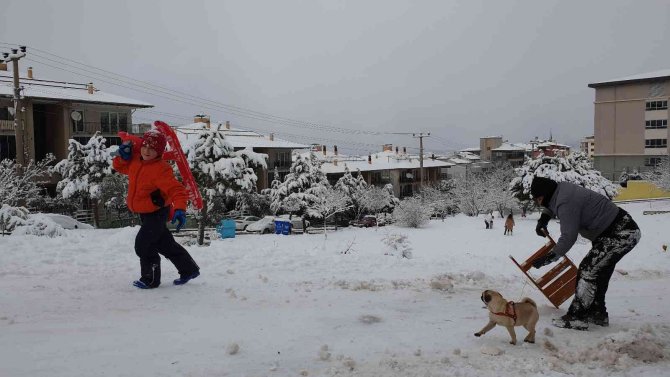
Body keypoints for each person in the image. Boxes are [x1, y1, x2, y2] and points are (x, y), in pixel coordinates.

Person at [529, 176, 640, 329]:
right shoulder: (560, 189)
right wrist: (544, 219)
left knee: (588, 270)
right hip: (613, 229)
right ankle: (597, 313)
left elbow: (569, 236)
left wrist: (549, 257)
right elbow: (551, 204)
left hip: (620, 233)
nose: (538, 202)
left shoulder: (565, 202)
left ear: (545, 194)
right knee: (599, 272)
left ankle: (577, 316)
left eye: (538, 199)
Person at [113, 129, 200, 289]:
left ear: (159, 151)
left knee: (143, 244)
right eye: (145, 146)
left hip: (157, 213)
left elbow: (177, 190)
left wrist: (180, 209)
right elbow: (120, 167)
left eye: (152, 148)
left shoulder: (161, 169)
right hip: (145, 213)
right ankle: (189, 270)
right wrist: (122, 157)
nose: (146, 150)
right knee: (165, 245)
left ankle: (150, 279)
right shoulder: (136, 161)